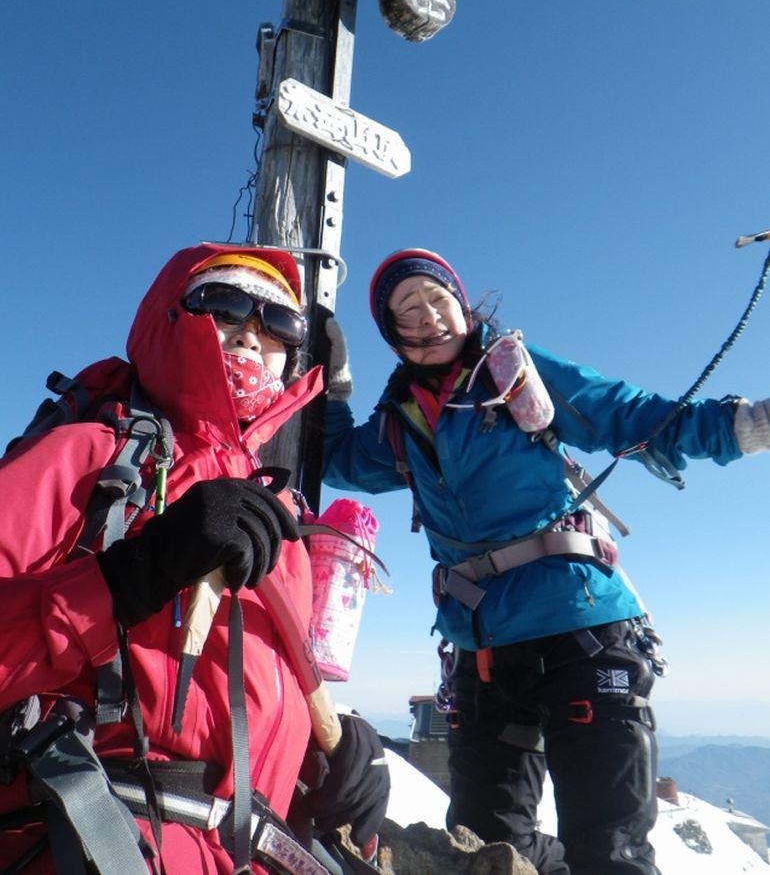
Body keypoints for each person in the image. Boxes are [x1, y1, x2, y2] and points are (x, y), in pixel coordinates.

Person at [322, 247, 770, 875]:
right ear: (393, 334)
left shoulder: (515, 373)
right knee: (486, 845)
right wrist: (333, 382)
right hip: (484, 654)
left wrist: (745, 426)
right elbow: (336, 458)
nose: (428, 317)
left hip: (580, 633)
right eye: (407, 309)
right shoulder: (399, 424)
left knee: (610, 850)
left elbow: (630, 415)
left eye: (437, 299)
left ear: (463, 305)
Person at [0, 242, 389, 874]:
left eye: (278, 323)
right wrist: (130, 576)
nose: (251, 331)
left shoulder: (278, 521)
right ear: (172, 315)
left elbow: (241, 719)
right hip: (88, 835)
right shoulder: (88, 461)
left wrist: (324, 765)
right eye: (225, 302)